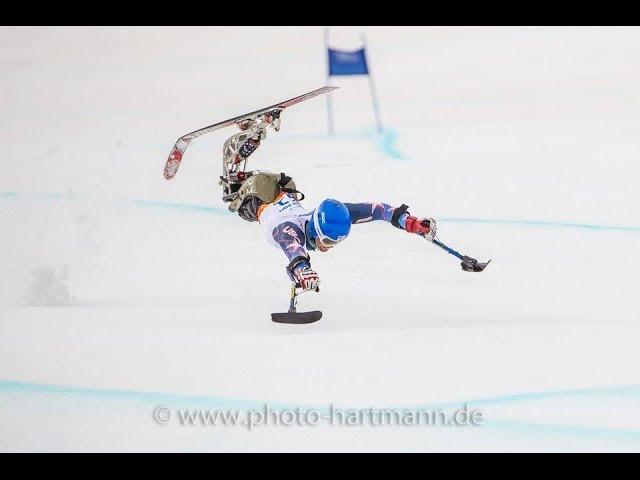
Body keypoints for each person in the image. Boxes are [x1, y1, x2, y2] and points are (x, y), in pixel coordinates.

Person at [227, 172, 436, 292]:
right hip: (255, 204)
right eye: (327, 241)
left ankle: (250, 150)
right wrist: (302, 271)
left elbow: (379, 211)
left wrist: (409, 222)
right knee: (253, 186)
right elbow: (295, 253)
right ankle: (235, 177)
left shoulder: (331, 216)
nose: (327, 247)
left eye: (334, 243)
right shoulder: (287, 231)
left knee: (284, 183)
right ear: (317, 230)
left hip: (281, 196)